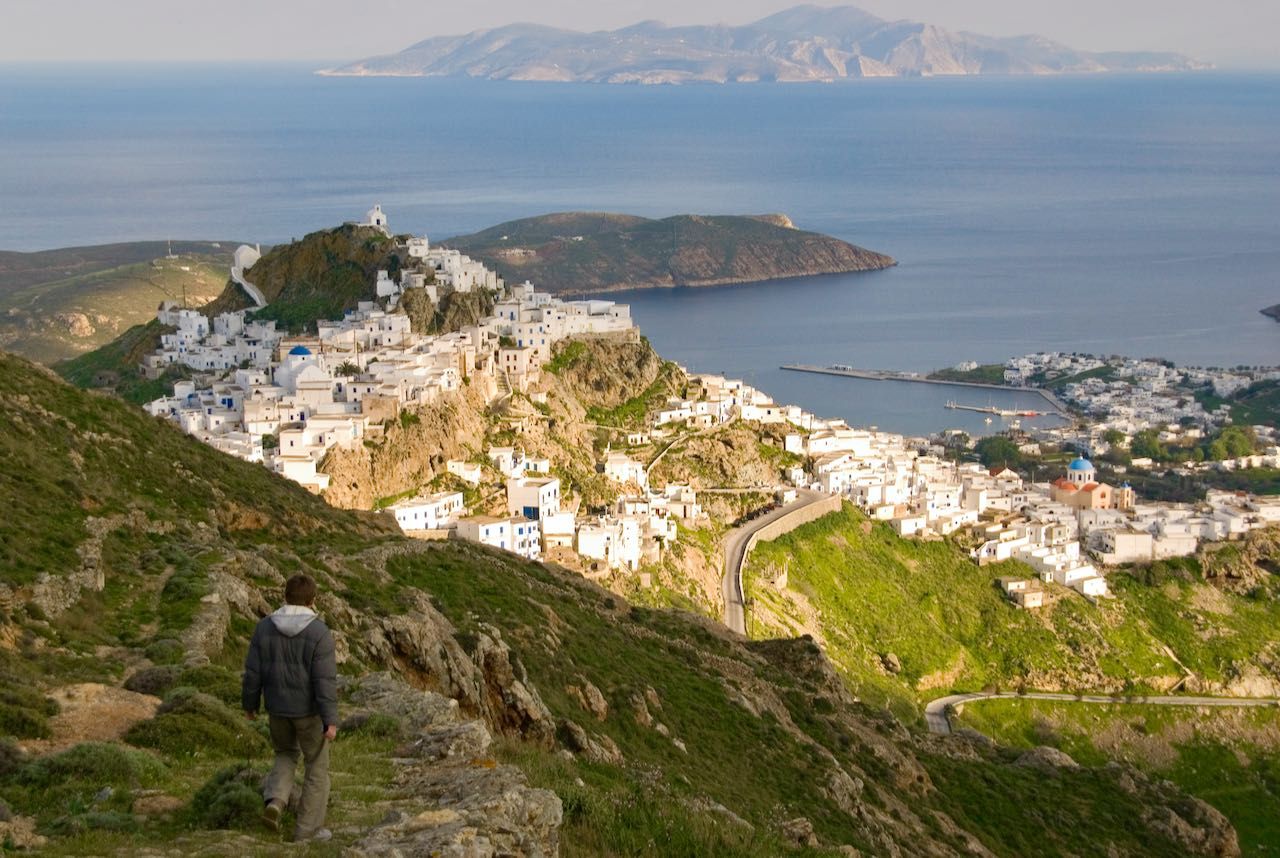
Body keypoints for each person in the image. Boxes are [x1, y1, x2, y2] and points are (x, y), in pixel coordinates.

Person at [241, 573, 339, 842]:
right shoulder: (319, 633)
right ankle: (307, 831)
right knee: (316, 766)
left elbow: (252, 673)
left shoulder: (264, 628)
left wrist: (250, 705)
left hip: (277, 709)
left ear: (285, 597)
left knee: (284, 754)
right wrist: (330, 720)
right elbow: (324, 681)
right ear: (313, 600)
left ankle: (275, 801)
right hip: (309, 713)